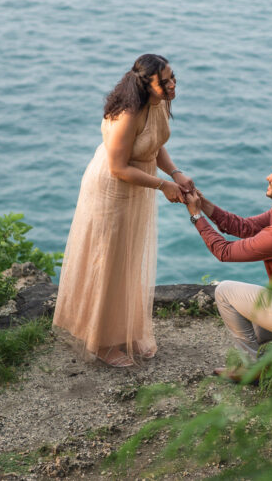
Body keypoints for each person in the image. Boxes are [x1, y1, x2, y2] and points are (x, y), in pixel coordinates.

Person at [53, 54, 194, 367]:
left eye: (173, 78)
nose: (172, 85)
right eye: (165, 81)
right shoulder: (129, 113)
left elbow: (153, 143)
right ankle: (101, 342)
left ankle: (124, 332)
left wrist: (175, 173)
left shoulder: (155, 105)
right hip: (113, 190)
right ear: (147, 84)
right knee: (110, 262)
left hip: (138, 187)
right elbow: (118, 168)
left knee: (128, 262)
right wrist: (162, 186)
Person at [184, 160, 272, 374]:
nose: (268, 177)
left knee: (224, 291)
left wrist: (196, 216)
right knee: (254, 331)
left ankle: (250, 368)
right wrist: (203, 203)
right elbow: (244, 227)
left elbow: (224, 252)